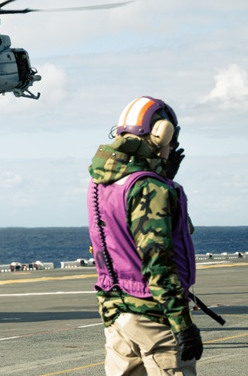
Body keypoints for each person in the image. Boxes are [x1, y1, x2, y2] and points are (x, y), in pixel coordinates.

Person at [87, 96, 202, 376]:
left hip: (116, 313)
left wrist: (162, 175)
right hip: (154, 317)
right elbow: (158, 262)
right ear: (161, 134)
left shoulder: (101, 184)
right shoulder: (150, 189)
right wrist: (182, 324)